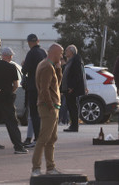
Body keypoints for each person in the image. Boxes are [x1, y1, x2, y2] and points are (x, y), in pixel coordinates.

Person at [0, 47, 27, 154]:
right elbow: (16, 85)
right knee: (12, 123)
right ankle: (18, 147)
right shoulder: (11, 67)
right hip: (6, 98)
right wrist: (10, 91)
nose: (11, 57)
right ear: (8, 56)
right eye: (11, 56)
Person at [31, 43, 64, 177]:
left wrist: (59, 70)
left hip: (51, 106)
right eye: (60, 53)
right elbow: (44, 89)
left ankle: (50, 167)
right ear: (55, 53)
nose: (61, 56)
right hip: (48, 107)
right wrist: (50, 106)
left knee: (51, 138)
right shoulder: (47, 67)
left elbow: (56, 86)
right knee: (43, 139)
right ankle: (36, 168)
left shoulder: (46, 65)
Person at [22, 34, 47, 143]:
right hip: (43, 86)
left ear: (29, 43)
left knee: (34, 114)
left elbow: (25, 70)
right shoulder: (44, 52)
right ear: (38, 41)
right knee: (42, 113)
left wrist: (24, 65)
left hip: (33, 86)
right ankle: (42, 137)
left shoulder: (31, 53)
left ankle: (37, 138)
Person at [62, 45, 87, 132]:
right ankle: (72, 125)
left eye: (67, 50)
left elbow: (77, 75)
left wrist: (71, 87)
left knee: (73, 107)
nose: (65, 52)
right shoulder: (70, 60)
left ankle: (74, 126)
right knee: (70, 107)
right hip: (68, 89)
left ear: (71, 52)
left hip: (72, 89)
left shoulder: (76, 60)